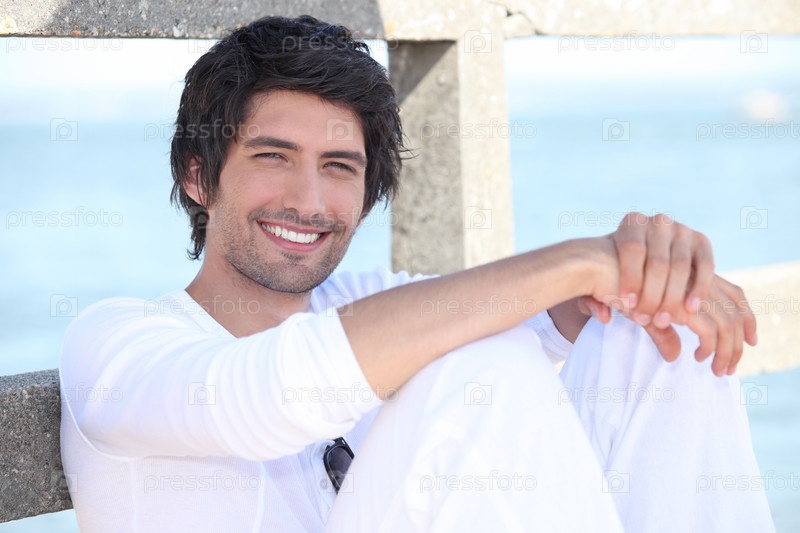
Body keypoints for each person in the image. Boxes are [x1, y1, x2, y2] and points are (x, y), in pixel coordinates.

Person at [59, 15, 774, 532]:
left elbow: (535, 318)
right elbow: (271, 392)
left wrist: (641, 277)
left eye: (339, 167)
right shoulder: (118, 345)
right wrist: (580, 259)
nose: (309, 200)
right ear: (198, 177)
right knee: (481, 366)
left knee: (655, 328)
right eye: (273, 156)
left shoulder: (363, 301)